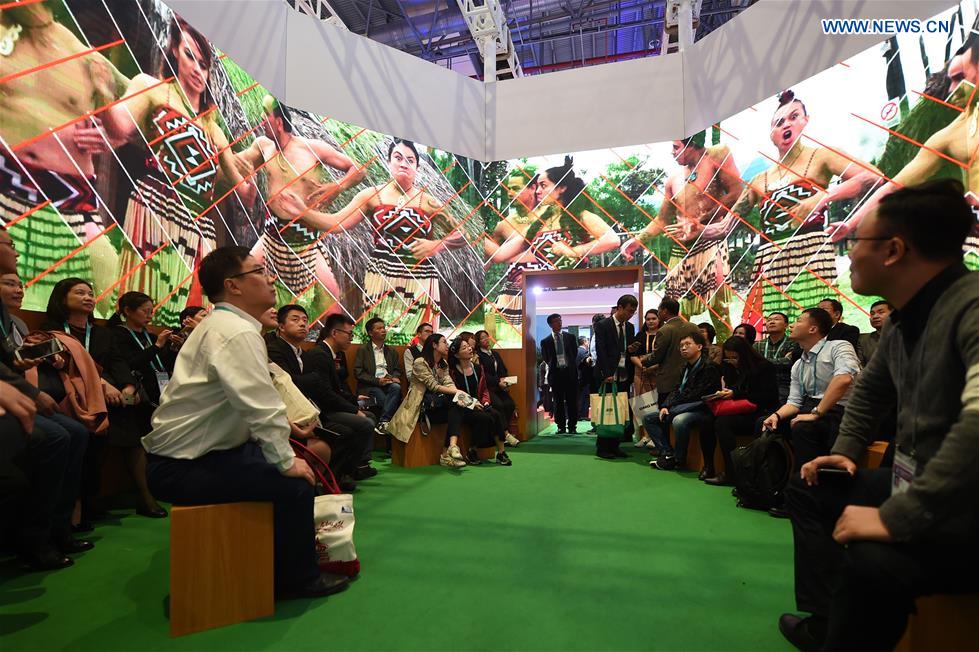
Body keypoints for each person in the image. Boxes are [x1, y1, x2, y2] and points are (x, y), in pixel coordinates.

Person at [778, 179, 979, 651]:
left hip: (964, 507)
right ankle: (825, 620)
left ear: (893, 250)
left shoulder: (970, 307)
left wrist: (899, 517)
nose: (847, 253)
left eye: (855, 241)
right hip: (924, 488)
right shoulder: (905, 319)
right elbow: (870, 391)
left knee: (872, 561)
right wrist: (846, 450)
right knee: (808, 489)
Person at [142, 246, 348, 598]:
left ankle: (273, 564)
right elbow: (260, 406)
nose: (270, 278)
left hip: (199, 455)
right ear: (233, 285)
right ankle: (296, 580)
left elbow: (252, 405)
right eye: (259, 271)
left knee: (292, 465)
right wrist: (286, 462)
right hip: (183, 465)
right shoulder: (235, 331)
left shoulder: (226, 326)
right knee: (296, 485)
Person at [100, 16, 255, 325]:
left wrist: (255, 158)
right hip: (156, 208)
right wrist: (103, 86)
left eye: (204, 64)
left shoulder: (212, 126)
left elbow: (244, 192)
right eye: (189, 56)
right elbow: (118, 127)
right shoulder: (152, 88)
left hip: (199, 224)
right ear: (174, 51)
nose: (197, 69)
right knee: (146, 298)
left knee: (197, 307)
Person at [710, 90, 882, 327]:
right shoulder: (760, 180)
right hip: (771, 260)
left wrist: (824, 197)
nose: (786, 125)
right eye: (779, 122)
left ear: (805, 121)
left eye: (793, 117)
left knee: (815, 323)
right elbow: (724, 227)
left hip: (810, 253)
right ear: (771, 134)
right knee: (774, 326)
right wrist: (696, 229)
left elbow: (873, 177)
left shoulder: (821, 156)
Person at [0, 0, 124, 314]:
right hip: (7, 188)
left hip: (75, 201)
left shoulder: (80, 51)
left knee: (105, 279)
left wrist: (109, 130)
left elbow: (132, 118)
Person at [829, 36, 979, 269]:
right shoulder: (949, 135)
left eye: (959, 77)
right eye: (951, 80)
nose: (952, 89)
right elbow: (892, 186)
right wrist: (850, 224)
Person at [316, 140, 469, 343]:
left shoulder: (429, 202)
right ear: (388, 162)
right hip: (381, 279)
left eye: (410, 160)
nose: (404, 163)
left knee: (421, 342)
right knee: (378, 340)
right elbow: (336, 223)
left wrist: (436, 245)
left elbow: (463, 235)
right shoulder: (371, 195)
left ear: (417, 168)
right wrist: (300, 212)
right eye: (398, 158)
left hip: (421, 282)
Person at [240, 97, 366, 317]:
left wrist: (337, 186)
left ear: (279, 122)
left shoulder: (311, 148)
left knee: (332, 306)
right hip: (271, 238)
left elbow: (359, 170)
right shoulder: (263, 146)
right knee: (243, 282)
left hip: (306, 243)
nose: (261, 119)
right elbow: (240, 160)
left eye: (265, 114)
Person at [622, 132, 743, 342]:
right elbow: (662, 219)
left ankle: (727, 354)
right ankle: (678, 353)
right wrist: (637, 240)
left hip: (709, 244)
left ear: (692, 144)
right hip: (680, 253)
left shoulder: (716, 157)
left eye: (676, 147)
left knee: (718, 310)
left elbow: (736, 192)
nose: (672, 152)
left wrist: (702, 219)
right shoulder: (673, 180)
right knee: (675, 314)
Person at [41, 277, 135, 524]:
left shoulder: (102, 333)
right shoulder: (50, 331)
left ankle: (91, 503)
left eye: (90, 294)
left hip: (101, 398)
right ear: (62, 298)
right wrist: (101, 383)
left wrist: (128, 385)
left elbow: (117, 362)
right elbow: (64, 367)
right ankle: (73, 511)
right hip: (69, 398)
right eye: (80, 293)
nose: (88, 298)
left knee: (116, 434)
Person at [760, 308, 860, 478]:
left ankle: (807, 484)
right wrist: (776, 415)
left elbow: (844, 379)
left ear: (813, 329)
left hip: (842, 411)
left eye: (798, 321)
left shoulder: (838, 346)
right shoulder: (798, 364)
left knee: (804, 428)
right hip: (812, 408)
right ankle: (774, 483)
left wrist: (815, 414)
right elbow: (794, 402)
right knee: (765, 424)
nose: (792, 325)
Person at [107, 291, 175, 518]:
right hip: (135, 398)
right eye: (145, 311)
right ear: (127, 311)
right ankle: (145, 497)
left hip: (159, 395)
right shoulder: (118, 334)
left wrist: (170, 348)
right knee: (136, 444)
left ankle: (160, 488)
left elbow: (162, 365)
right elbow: (129, 364)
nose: (150, 315)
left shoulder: (148, 335)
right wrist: (157, 346)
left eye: (151, 311)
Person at [303, 314, 378, 481]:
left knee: (370, 415)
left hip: (330, 405)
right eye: (349, 334)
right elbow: (324, 394)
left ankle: (360, 465)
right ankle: (346, 472)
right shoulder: (319, 355)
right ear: (335, 333)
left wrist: (355, 399)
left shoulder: (333, 354)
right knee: (365, 422)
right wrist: (353, 409)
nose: (351, 338)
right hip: (322, 411)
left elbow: (336, 389)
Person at [701, 336, 780, 486]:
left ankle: (732, 472)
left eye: (735, 357)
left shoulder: (764, 367)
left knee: (722, 423)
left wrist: (736, 394)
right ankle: (708, 465)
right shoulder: (730, 366)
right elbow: (732, 388)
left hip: (759, 411)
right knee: (706, 420)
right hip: (738, 408)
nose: (732, 361)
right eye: (728, 358)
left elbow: (768, 397)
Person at [646, 332, 721, 471]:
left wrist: (674, 405)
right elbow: (676, 389)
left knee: (679, 420)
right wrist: (666, 405)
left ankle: (679, 459)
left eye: (688, 344)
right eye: (681, 346)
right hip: (683, 406)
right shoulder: (685, 366)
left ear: (699, 347)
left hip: (703, 408)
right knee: (649, 418)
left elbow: (698, 394)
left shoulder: (709, 366)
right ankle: (668, 454)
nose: (683, 348)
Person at [484, 171, 541, 333]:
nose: (510, 193)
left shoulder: (550, 218)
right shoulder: (503, 225)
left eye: (516, 188)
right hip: (510, 294)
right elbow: (488, 259)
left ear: (532, 188)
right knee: (506, 337)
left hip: (542, 289)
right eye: (508, 189)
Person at [448, 338, 512, 466]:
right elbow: (454, 393)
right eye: (464, 348)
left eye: (468, 346)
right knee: (483, 418)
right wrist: (471, 403)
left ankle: (501, 452)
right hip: (462, 406)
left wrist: (486, 402)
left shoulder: (478, 368)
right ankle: (472, 450)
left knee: (496, 414)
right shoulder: (452, 372)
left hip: (479, 404)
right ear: (457, 355)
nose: (469, 348)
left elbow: (484, 390)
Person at [594, 295, 641, 458]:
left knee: (619, 409)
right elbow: (601, 350)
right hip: (607, 373)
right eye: (629, 310)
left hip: (624, 373)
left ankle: (615, 446)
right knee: (607, 409)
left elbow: (624, 350)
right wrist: (607, 373)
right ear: (619, 307)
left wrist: (631, 349)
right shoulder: (603, 325)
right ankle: (602, 448)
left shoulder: (629, 327)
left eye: (633, 312)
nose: (631, 314)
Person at [642, 298, 701, 398]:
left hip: (669, 381)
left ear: (665, 311)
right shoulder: (693, 327)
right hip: (693, 377)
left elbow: (658, 355)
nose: (658, 313)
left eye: (659, 310)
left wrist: (644, 360)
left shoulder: (664, 330)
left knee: (666, 407)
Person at [354, 317, 403, 434]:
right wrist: (377, 381)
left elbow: (397, 370)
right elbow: (358, 373)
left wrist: (393, 377)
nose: (383, 330)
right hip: (370, 385)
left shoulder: (392, 351)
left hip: (388, 383)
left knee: (396, 387)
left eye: (384, 328)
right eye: (379, 328)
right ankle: (385, 422)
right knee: (384, 399)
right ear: (371, 333)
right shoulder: (363, 350)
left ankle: (383, 422)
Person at [474, 330, 520, 446]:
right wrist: (497, 382)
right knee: (498, 405)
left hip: (500, 386)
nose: (486, 339)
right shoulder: (478, 356)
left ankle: (504, 432)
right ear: (478, 342)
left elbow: (503, 369)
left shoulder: (495, 354)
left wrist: (505, 381)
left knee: (510, 404)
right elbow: (483, 374)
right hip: (487, 388)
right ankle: (504, 434)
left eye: (487, 336)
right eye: (482, 338)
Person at [539, 313, 579, 435]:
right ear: (550, 324)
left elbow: (574, 353)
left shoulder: (570, 337)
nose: (559, 323)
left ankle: (572, 426)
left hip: (570, 373)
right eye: (556, 321)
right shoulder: (546, 341)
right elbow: (546, 358)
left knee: (572, 401)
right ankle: (561, 426)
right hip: (556, 374)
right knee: (558, 401)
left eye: (560, 320)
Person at [753, 312, 799, 404]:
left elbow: (789, 362)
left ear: (786, 325)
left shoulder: (794, 343)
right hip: (761, 383)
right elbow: (752, 363)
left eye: (776, 319)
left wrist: (761, 362)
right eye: (769, 320)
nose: (772, 322)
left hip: (784, 384)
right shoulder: (758, 344)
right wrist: (781, 361)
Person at [633, 309, 660, 448]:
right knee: (642, 404)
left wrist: (652, 367)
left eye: (653, 318)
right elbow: (632, 355)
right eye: (648, 319)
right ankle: (644, 436)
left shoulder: (663, 334)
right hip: (640, 372)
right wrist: (643, 367)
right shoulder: (640, 335)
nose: (650, 321)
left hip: (658, 372)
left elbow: (665, 355)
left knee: (655, 404)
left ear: (659, 319)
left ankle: (655, 437)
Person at [857, 300, 892, 366]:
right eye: (872, 314)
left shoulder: (905, 337)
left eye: (881, 312)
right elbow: (860, 366)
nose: (875, 316)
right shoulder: (863, 340)